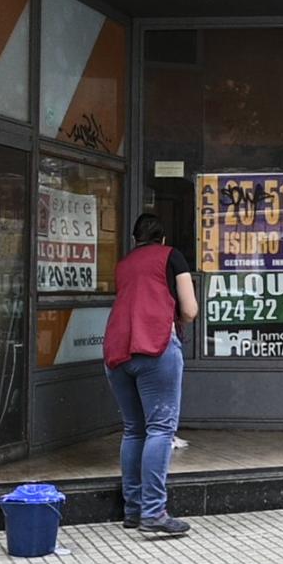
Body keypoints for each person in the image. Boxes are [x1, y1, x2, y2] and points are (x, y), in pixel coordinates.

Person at [103, 214, 198, 535]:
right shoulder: (172, 256)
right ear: (162, 237)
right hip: (155, 347)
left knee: (134, 430)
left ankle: (133, 510)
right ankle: (154, 512)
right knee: (160, 429)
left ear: (135, 239)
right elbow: (190, 309)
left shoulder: (124, 263)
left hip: (117, 351)